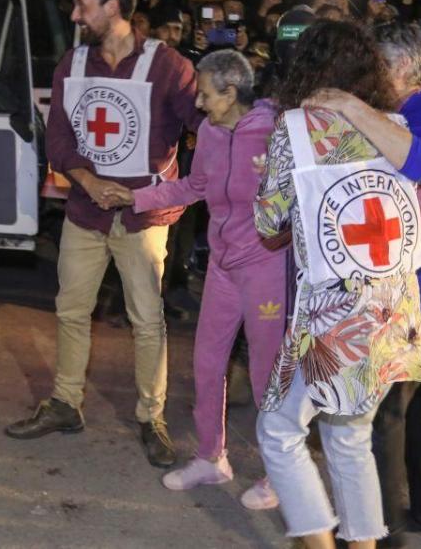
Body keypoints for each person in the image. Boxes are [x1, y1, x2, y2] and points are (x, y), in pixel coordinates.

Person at [5, 0, 203, 469]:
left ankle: (150, 417)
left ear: (113, 7)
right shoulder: (72, 63)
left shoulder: (169, 67)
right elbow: (59, 136)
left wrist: (189, 190)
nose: (75, 14)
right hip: (84, 212)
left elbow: (207, 127)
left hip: (142, 220)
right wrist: (88, 180)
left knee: (146, 321)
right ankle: (66, 404)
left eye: (82, 5)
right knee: (71, 311)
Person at [304, 22, 421, 548]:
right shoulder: (405, 111)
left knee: (389, 407)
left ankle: (380, 530)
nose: (370, 77)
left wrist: (352, 109)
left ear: (407, 70)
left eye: (378, 67)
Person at [255, 20, 421, 549]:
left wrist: (275, 178)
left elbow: (268, 224)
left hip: (334, 316)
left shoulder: (294, 128)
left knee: (279, 432)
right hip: (391, 308)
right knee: (349, 436)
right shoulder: (392, 125)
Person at [103, 49, 291, 508]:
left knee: (269, 374)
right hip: (224, 268)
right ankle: (212, 457)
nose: (200, 105)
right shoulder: (209, 131)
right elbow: (195, 185)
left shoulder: (276, 130)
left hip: (266, 268)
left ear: (231, 91)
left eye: (205, 94)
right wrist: (136, 197)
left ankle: (280, 475)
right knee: (206, 363)